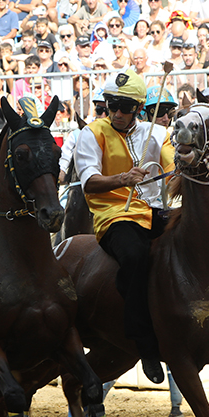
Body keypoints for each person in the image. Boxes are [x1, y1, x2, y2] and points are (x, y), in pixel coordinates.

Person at [73, 70, 174, 384]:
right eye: (111, 104)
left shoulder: (157, 133)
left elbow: (173, 171)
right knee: (134, 256)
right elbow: (89, 183)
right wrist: (122, 179)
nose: (116, 112)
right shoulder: (92, 133)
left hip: (156, 211)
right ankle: (143, 341)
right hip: (115, 215)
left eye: (125, 106)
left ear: (140, 108)